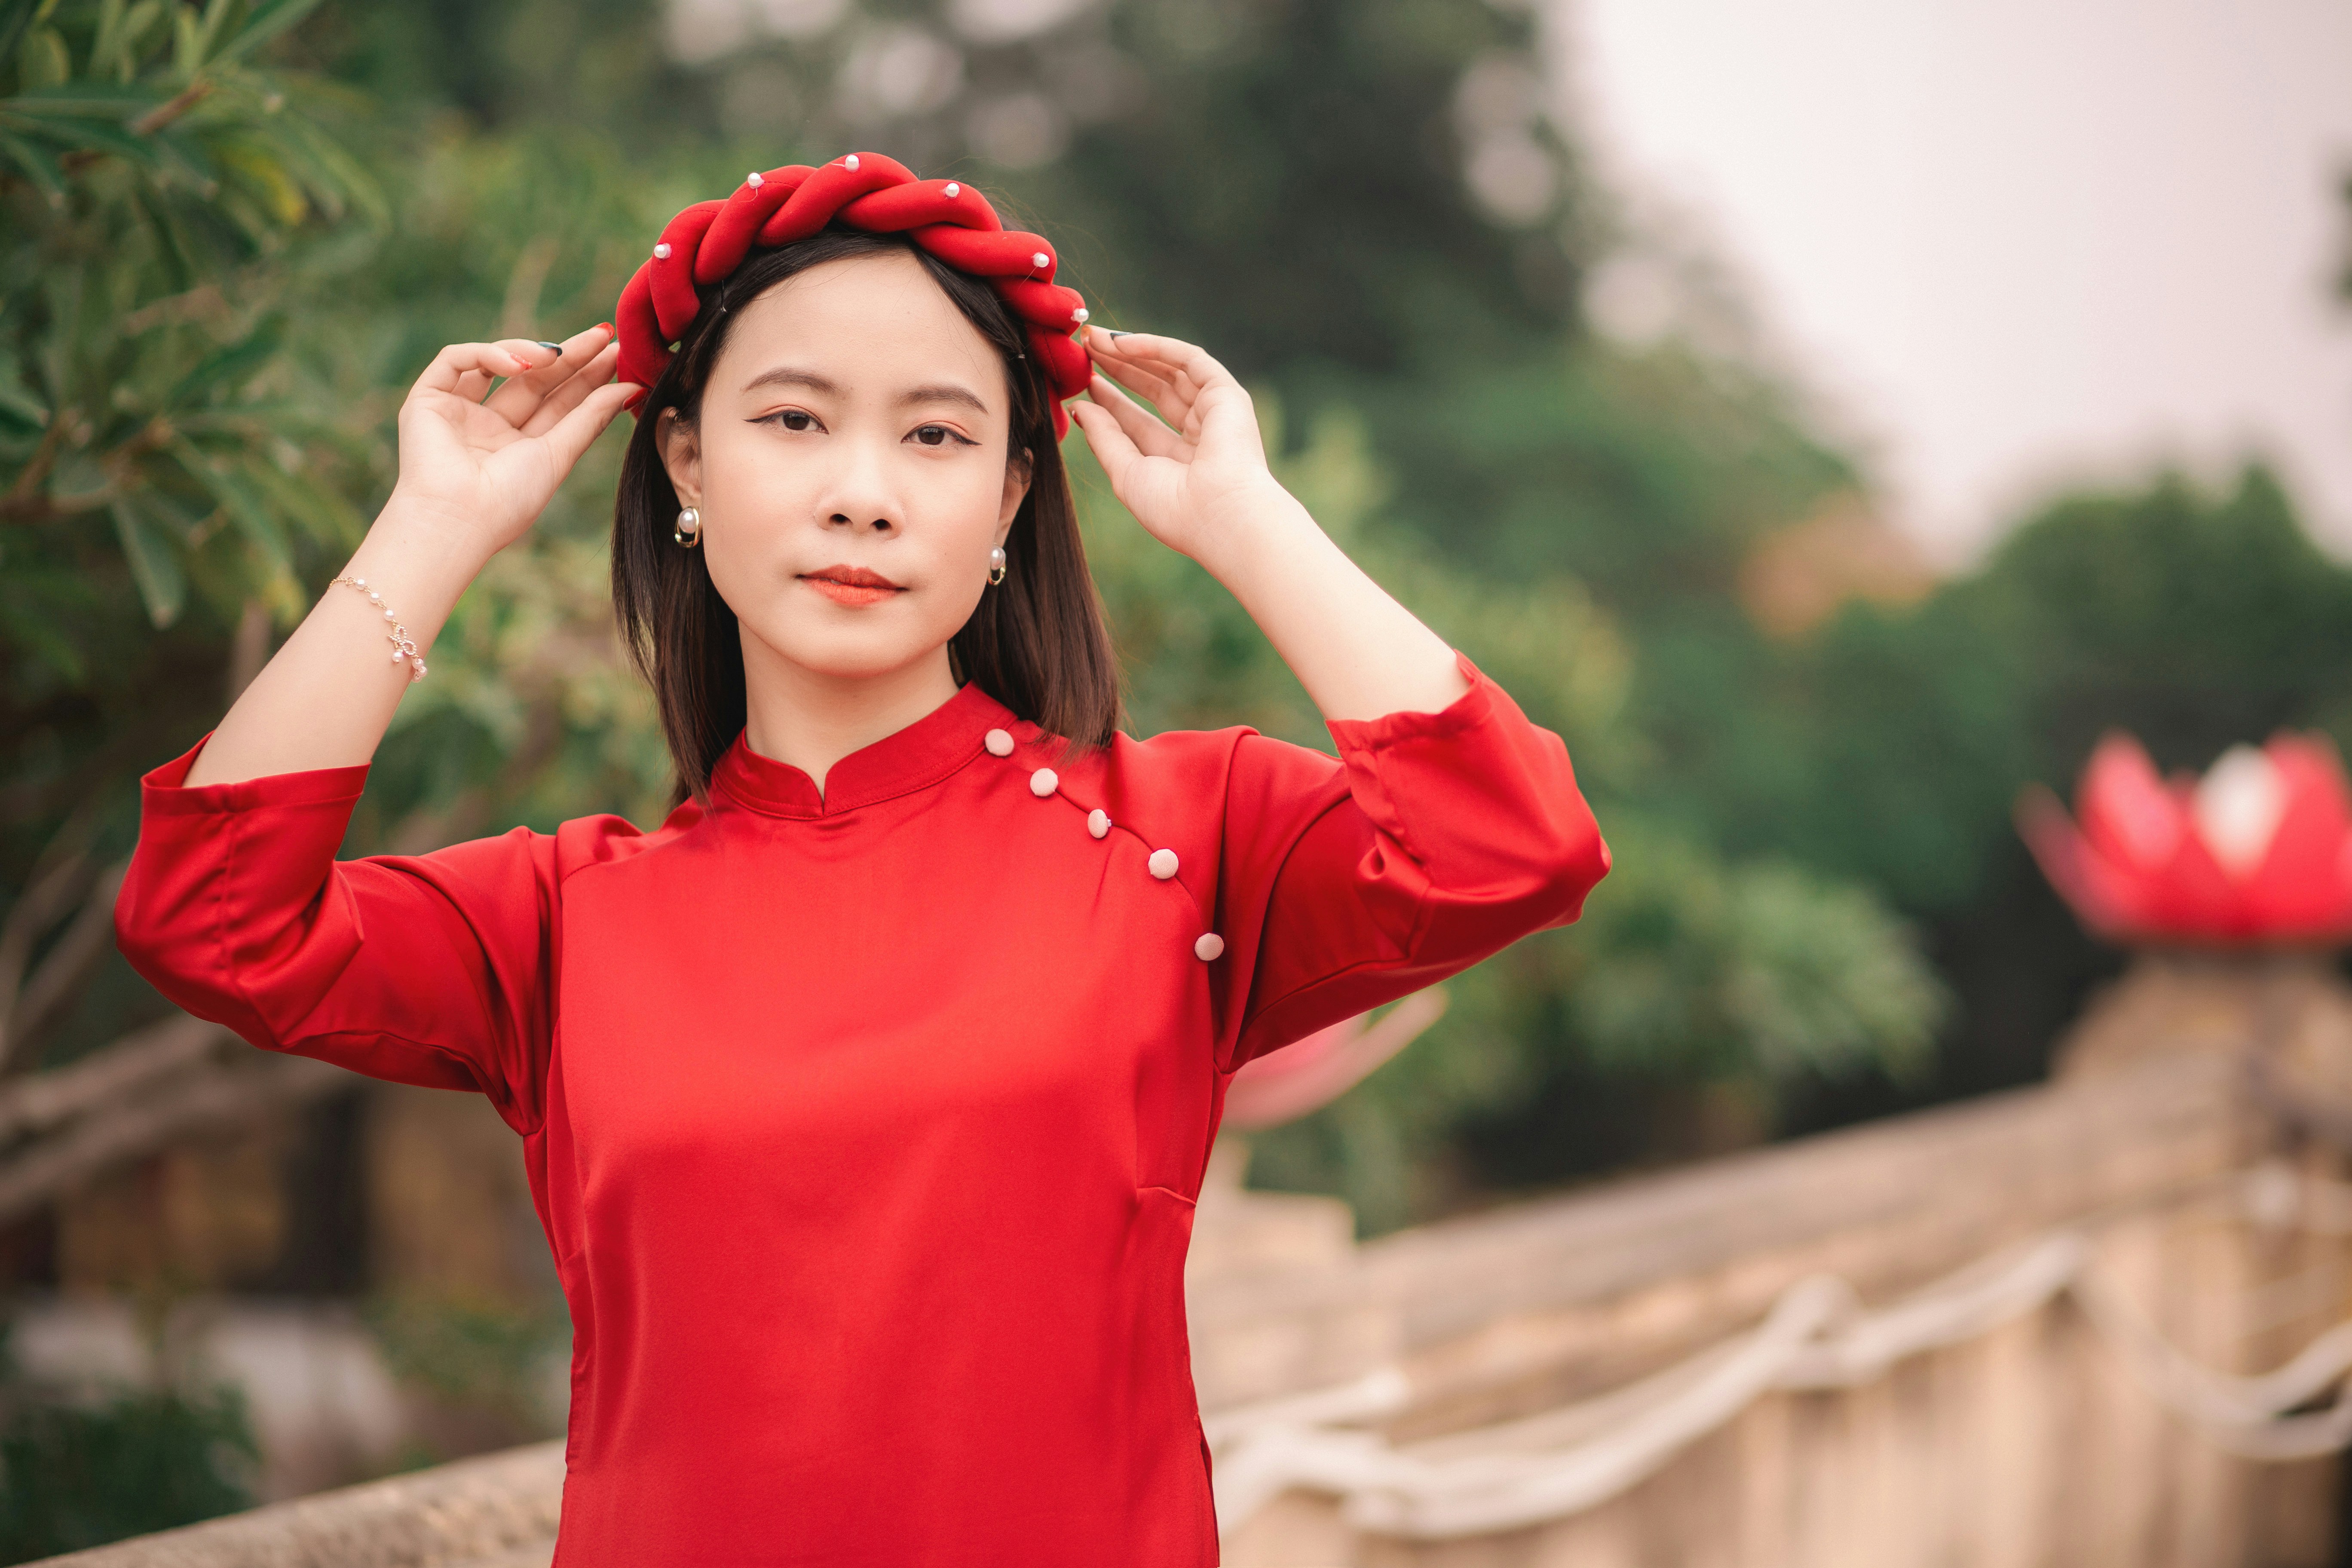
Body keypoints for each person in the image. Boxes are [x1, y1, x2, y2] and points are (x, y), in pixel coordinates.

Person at [114, 153, 1610, 1565]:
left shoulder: (1176, 845)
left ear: (1015, 496)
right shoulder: (568, 916)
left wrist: (1244, 520)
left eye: (939, 435)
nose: (864, 492)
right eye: (793, 420)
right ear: (687, 464)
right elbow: (212, 919)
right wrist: (437, 527)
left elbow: (1508, 842)